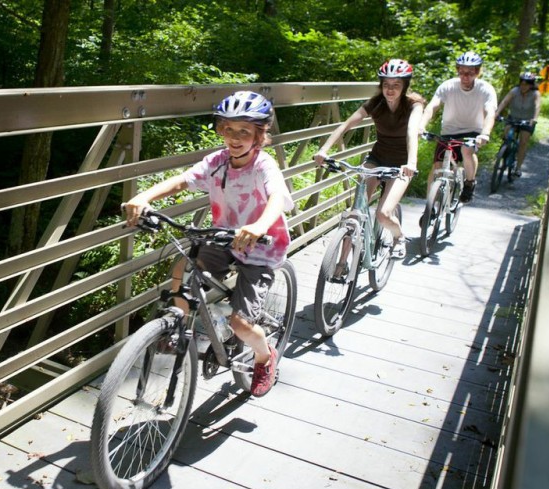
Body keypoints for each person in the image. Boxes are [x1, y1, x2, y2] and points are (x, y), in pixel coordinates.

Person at [122, 91, 293, 398]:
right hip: (224, 237)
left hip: (261, 246)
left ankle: (265, 356)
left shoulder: (263, 165)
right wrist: (144, 197)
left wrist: (258, 226)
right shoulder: (217, 162)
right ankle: (177, 326)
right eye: (228, 129)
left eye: (244, 131)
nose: (235, 138)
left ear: (259, 134)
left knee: (241, 325)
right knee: (183, 268)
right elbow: (182, 181)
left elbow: (277, 198)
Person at [313, 59, 425, 260]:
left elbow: (411, 132)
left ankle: (399, 237)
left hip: (402, 165)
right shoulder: (376, 103)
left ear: (405, 86)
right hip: (377, 158)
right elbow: (345, 125)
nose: (390, 89)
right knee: (355, 213)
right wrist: (324, 150)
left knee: (383, 214)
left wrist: (411, 163)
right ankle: (340, 266)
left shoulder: (414, 105)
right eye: (386, 84)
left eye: (396, 85)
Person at [419, 51, 497, 204]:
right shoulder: (448, 86)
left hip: (473, 131)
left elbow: (490, 113)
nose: (465, 76)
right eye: (461, 71)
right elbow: (432, 106)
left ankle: (469, 182)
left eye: (470, 72)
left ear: (477, 72)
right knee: (437, 167)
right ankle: (429, 206)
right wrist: (421, 126)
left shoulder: (486, 89)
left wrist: (485, 133)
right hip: (449, 132)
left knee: (466, 150)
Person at [494, 72, 542, 177]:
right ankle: (504, 151)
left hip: (527, 120)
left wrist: (534, 119)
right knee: (506, 134)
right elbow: (504, 102)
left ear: (531, 85)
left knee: (523, 142)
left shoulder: (535, 94)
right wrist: (497, 113)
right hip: (513, 117)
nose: (523, 86)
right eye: (522, 84)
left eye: (526, 84)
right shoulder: (514, 91)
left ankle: (518, 167)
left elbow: (537, 106)